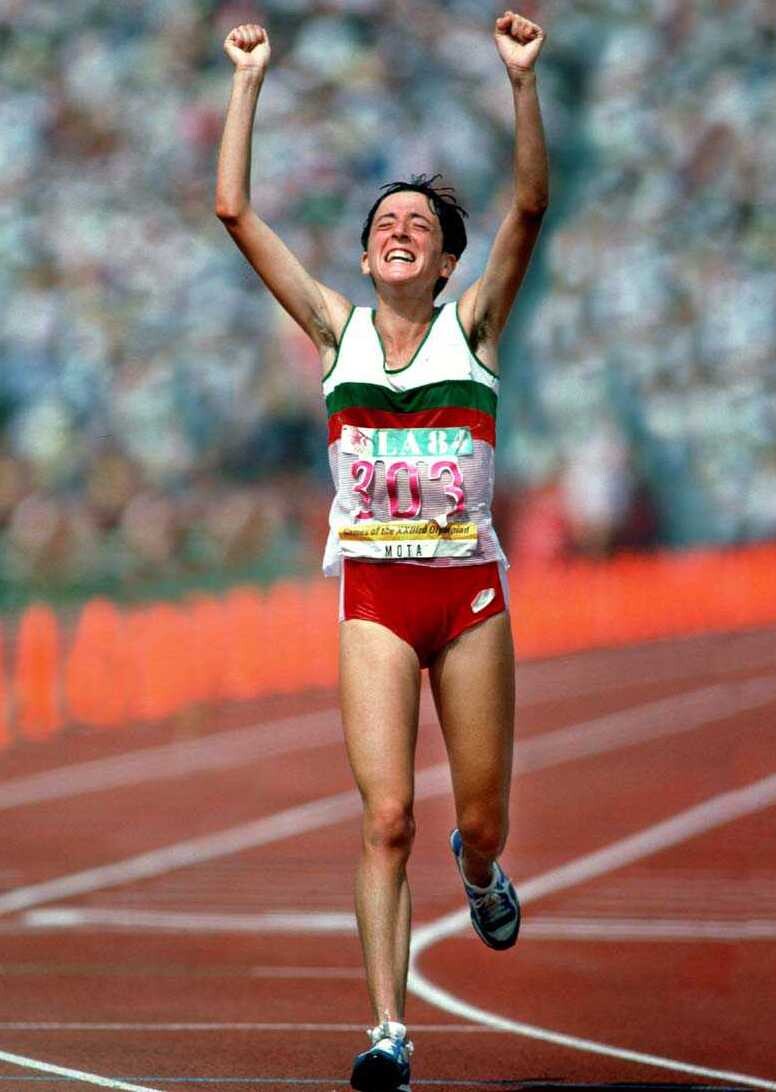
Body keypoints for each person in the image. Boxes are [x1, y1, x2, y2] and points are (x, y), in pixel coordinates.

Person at [216, 11, 548, 1091]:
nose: (401, 228)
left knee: (479, 818)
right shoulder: (334, 331)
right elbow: (235, 211)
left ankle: (482, 870)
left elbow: (529, 207)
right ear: (365, 256)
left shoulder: (475, 327)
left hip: (468, 596)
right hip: (372, 593)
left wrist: (521, 84)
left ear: (445, 262)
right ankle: (388, 1033)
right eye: (385, 222)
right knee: (389, 817)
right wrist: (248, 83)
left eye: (420, 223)